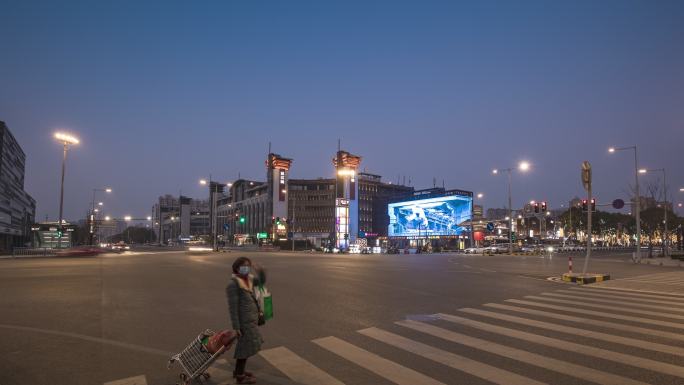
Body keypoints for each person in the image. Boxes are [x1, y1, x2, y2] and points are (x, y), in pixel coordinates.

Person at [226, 257, 263, 384]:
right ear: (237, 268)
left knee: (246, 347)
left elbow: (262, 281)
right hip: (243, 322)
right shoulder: (233, 284)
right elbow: (233, 307)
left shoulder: (249, 279)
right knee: (244, 348)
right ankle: (240, 376)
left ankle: (238, 372)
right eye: (243, 266)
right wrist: (236, 327)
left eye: (248, 266)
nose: (246, 268)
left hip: (251, 320)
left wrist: (260, 271)